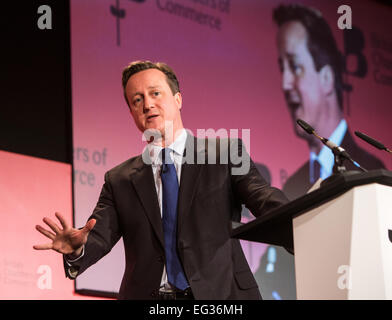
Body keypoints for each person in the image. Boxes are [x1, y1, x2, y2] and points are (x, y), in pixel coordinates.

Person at [34, 61, 289, 300]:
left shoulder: (224, 154)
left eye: (155, 93)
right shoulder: (119, 180)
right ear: (132, 112)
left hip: (222, 295)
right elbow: (97, 235)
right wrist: (77, 249)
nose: (147, 104)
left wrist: (303, 220)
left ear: (178, 99)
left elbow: (262, 197)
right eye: (137, 99)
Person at [273, 4, 385, 201]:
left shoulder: (371, 169)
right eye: (283, 68)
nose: (285, 84)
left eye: (295, 66)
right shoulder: (292, 185)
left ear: (326, 78)